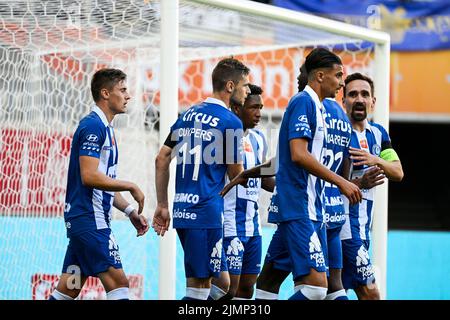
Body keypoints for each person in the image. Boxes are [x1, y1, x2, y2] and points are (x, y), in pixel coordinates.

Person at [152, 58, 250, 300]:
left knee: (222, 284)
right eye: (245, 85)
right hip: (204, 213)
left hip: (184, 210)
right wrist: (262, 170)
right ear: (230, 86)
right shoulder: (230, 122)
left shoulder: (189, 114)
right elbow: (236, 174)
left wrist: (163, 205)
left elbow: (162, 158)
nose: (247, 91)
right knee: (198, 291)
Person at [49, 68, 148, 300]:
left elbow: (102, 184)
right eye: (122, 90)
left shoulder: (106, 128)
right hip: (90, 222)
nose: (128, 96)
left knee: (68, 289)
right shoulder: (93, 126)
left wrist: (130, 210)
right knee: (119, 283)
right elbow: (89, 176)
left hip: (86, 223)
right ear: (105, 93)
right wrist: (131, 185)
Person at [340, 72, 404, 300]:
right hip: (344, 228)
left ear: (373, 101)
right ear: (343, 100)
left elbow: (397, 171)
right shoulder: (338, 133)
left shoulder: (379, 134)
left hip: (363, 229)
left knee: (332, 293)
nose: (359, 99)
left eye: (365, 94)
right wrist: (359, 183)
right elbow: (324, 182)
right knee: (371, 294)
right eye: (353, 94)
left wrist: (375, 159)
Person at [210, 84, 275, 300]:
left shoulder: (259, 139)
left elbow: (264, 180)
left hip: (253, 226)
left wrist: (287, 186)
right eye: (253, 107)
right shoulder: (226, 135)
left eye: (261, 107)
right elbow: (238, 174)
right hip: (230, 224)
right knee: (228, 290)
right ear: (238, 108)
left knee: (247, 289)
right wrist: (283, 162)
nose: (259, 113)